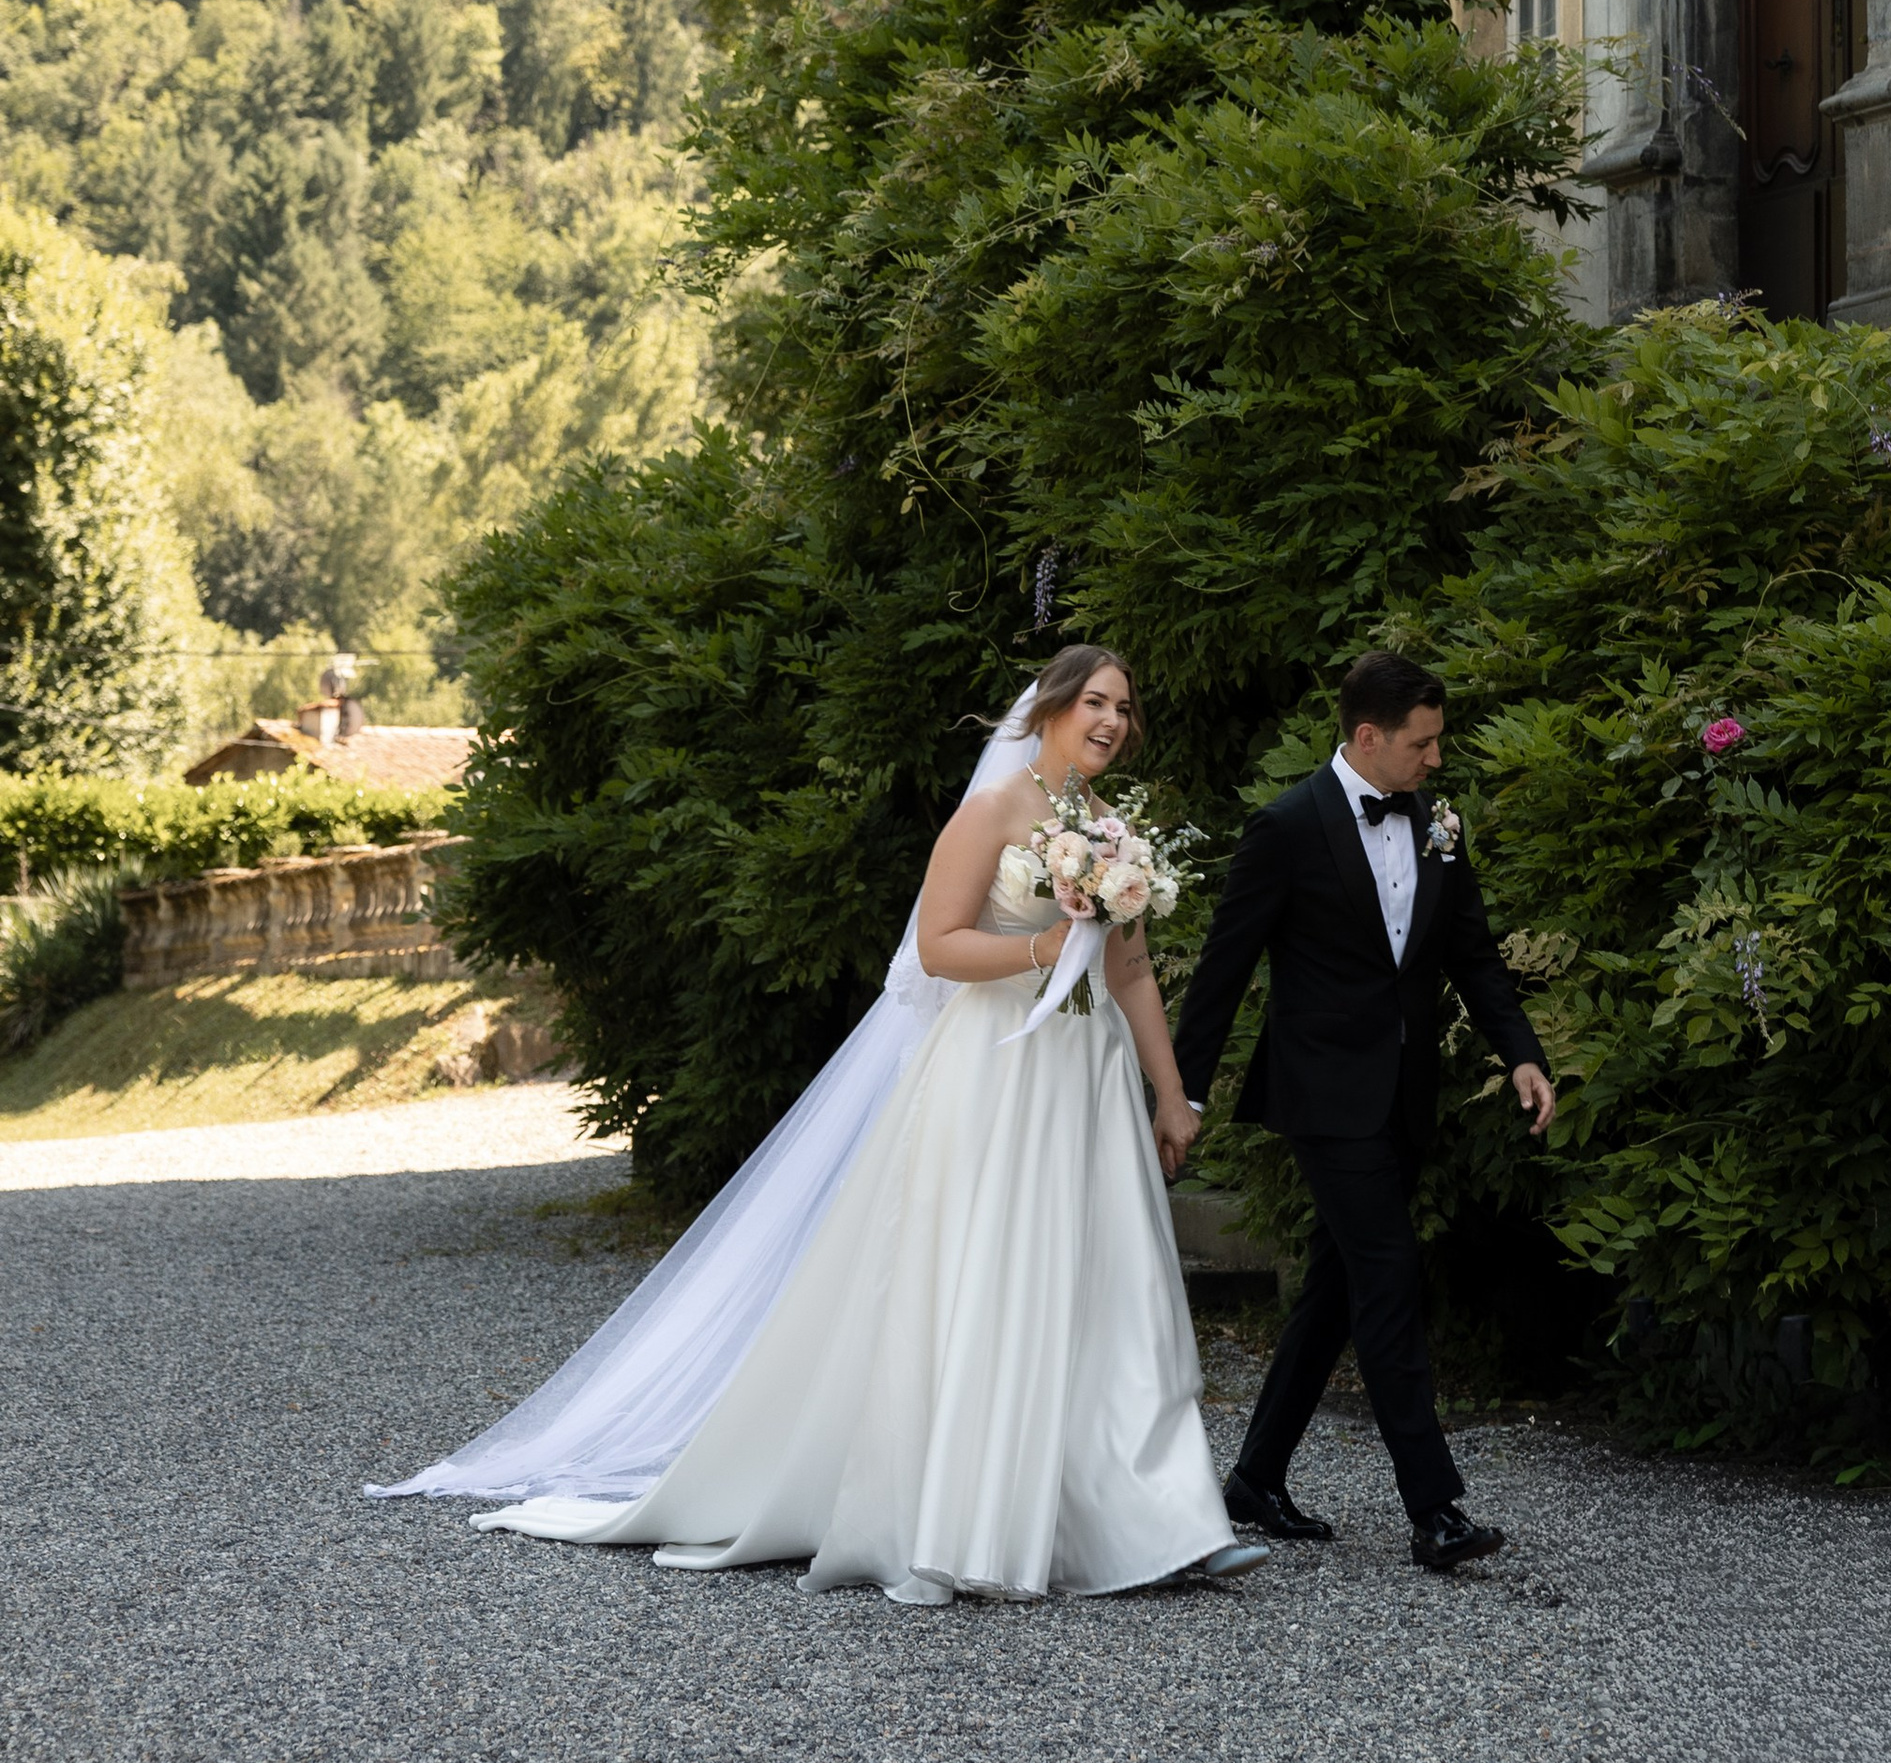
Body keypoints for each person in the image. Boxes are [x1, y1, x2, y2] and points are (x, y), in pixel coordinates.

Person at [372, 649, 1264, 1606]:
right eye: (1096, 701)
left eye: (1124, 708)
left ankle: (1169, 1522)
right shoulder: (992, 811)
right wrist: (1045, 942)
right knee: (996, 1282)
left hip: (1084, 1085)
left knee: (1116, 1290)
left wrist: (1172, 1096)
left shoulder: (1114, 834)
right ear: (1049, 707)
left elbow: (1130, 976)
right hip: (997, 1075)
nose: (1113, 721)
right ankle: (969, 1515)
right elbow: (937, 947)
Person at [1172, 651, 1554, 1573]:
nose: (1434, 760)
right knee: (1388, 1273)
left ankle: (1255, 1479)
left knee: (1338, 1287)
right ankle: (1436, 1509)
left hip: (1402, 1095)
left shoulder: (1439, 827)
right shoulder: (1285, 827)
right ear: (1368, 737)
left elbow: (1473, 953)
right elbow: (1222, 972)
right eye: (1421, 744)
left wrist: (1523, 1055)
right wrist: (1180, 1093)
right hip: (1323, 1097)